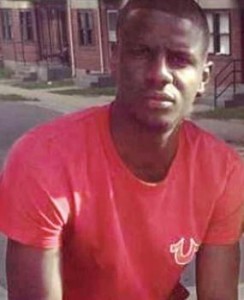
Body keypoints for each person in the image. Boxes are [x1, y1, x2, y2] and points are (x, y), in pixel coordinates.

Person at [0, 0, 243, 299]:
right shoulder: (43, 161)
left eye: (179, 59)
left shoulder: (223, 172)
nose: (160, 74)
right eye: (142, 52)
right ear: (115, 59)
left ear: (204, 77)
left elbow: (219, 294)